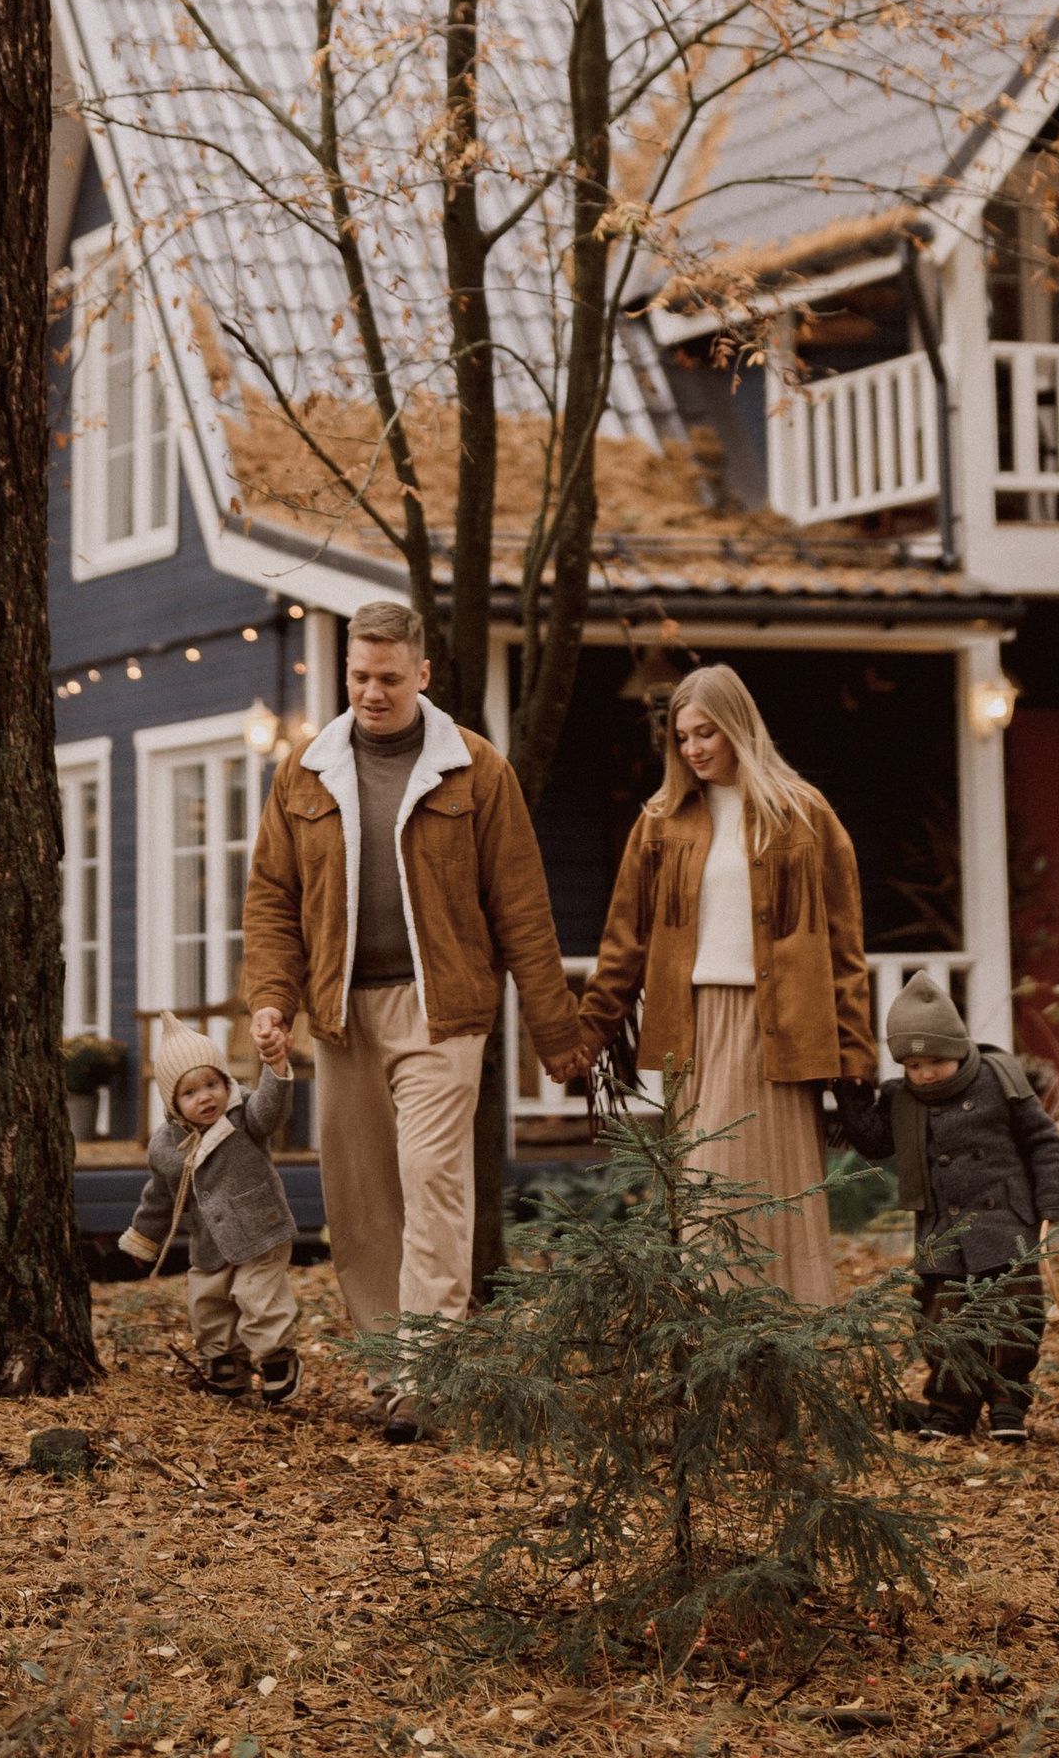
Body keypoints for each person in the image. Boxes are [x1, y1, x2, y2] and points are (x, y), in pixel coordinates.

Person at [241, 596, 588, 1437]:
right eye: (359, 675)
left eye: (388, 678)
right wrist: (270, 997)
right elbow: (272, 897)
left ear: (422, 675)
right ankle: (384, 1370)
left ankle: (431, 1375)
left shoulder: (475, 769)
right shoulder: (305, 771)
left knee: (433, 1183)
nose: (371, 692)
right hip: (342, 1012)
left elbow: (522, 907)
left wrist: (558, 1035)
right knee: (360, 1197)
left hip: (443, 1011)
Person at [578, 661, 872, 1307]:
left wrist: (853, 1055)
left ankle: (782, 1363)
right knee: (708, 1198)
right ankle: (716, 1368)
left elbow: (845, 948)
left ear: (740, 726)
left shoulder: (804, 814)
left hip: (782, 1032)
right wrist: (587, 1034)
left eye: (706, 732)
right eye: (682, 737)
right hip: (694, 1030)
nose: (693, 749)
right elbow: (624, 940)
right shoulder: (661, 820)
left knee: (771, 1198)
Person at [850, 970, 1059, 1442]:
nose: (926, 1073)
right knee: (943, 1323)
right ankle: (951, 1412)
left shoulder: (999, 1079)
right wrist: (850, 1096)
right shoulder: (901, 1099)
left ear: (957, 1049)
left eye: (936, 1061)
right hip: (942, 1230)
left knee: (1016, 1319)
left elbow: (1043, 1141)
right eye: (913, 1066)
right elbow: (874, 1143)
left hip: (1006, 1222)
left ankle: (1008, 1407)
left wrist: (1055, 1202)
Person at [120, 1019, 304, 1405]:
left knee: (259, 1296)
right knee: (208, 1304)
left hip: (259, 1231)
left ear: (226, 1083)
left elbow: (272, 1111)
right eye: (190, 1092)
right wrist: (144, 1239)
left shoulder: (244, 1116)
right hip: (208, 1243)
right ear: (172, 1102)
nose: (205, 1097)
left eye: (212, 1085)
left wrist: (276, 1069)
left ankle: (277, 1357)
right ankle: (226, 1364)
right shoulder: (166, 1144)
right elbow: (160, 1196)